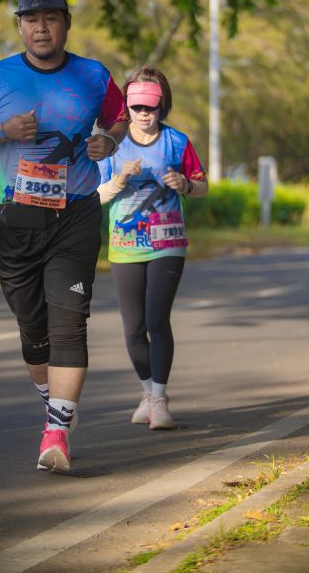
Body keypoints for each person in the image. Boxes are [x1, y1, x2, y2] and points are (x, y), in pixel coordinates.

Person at [0, 0, 128, 472]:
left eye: (51, 18)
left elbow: (118, 120)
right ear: (19, 26)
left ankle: (57, 432)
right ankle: (55, 403)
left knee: (69, 321)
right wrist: (3, 132)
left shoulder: (93, 75)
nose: (41, 28)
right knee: (32, 328)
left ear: (66, 23)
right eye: (31, 20)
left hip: (75, 214)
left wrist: (109, 143)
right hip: (16, 218)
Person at [98, 66, 208, 429]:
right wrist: (119, 180)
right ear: (126, 106)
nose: (145, 114)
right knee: (133, 327)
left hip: (167, 243)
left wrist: (185, 184)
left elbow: (202, 185)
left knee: (156, 320)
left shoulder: (177, 142)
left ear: (163, 105)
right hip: (125, 245)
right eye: (137, 107)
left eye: (152, 107)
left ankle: (159, 400)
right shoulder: (111, 145)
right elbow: (96, 195)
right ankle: (147, 393)